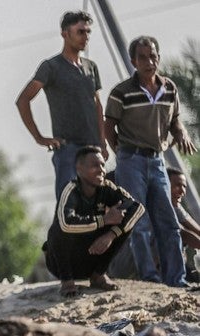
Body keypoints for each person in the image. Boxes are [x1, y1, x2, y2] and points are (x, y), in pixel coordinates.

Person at [104, 35, 196, 287]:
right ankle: (149, 277)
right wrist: (121, 154)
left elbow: (175, 119)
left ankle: (176, 278)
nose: (149, 61)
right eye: (143, 57)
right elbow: (108, 126)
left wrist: (181, 132)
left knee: (167, 220)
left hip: (156, 160)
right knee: (140, 222)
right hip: (131, 160)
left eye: (153, 56)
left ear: (159, 58)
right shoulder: (122, 92)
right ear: (133, 61)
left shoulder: (169, 88)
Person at [16, 10, 107, 200]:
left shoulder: (91, 67)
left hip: (93, 149)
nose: (86, 37)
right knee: (69, 205)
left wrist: (102, 141)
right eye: (80, 32)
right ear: (65, 33)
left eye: (88, 32)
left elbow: (97, 104)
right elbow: (23, 100)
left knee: (97, 204)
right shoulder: (51, 67)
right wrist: (40, 138)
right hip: (68, 149)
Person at [44, 146, 145, 297]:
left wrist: (110, 235)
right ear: (79, 169)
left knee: (125, 222)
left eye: (103, 165)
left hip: (91, 259)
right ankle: (67, 281)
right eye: (94, 165)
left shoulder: (107, 188)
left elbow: (137, 208)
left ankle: (98, 275)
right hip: (62, 265)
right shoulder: (70, 189)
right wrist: (103, 220)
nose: (101, 170)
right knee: (58, 229)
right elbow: (66, 223)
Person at [167, 167, 200, 282]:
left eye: (184, 186)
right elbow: (183, 233)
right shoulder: (160, 206)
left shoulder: (176, 206)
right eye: (177, 185)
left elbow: (196, 229)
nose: (182, 191)